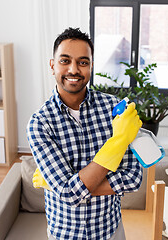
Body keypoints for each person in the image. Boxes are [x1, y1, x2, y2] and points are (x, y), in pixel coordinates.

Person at [27, 27, 143, 240]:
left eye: (83, 62)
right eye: (65, 60)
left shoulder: (114, 108)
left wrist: (72, 187)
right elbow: (69, 194)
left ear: (91, 66)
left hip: (111, 231)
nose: (74, 69)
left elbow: (134, 178)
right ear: (52, 66)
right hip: (64, 234)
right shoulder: (40, 124)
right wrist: (118, 142)